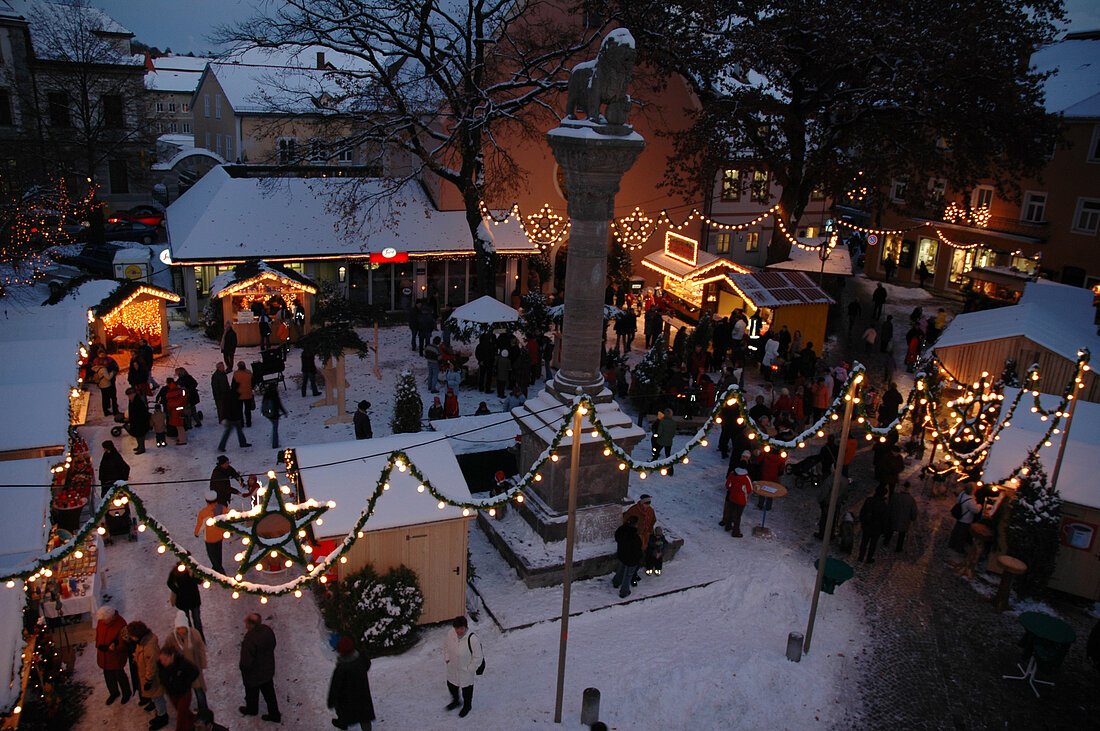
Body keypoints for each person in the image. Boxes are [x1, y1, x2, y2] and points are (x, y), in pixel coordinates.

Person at [163, 610, 209, 713]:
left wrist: (202, 663)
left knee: (198, 689)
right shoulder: (171, 638)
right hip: (182, 670)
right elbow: (166, 651)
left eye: (182, 628)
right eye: (178, 628)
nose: (181, 631)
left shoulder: (194, 634)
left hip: (194, 667)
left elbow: (201, 649)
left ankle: (204, 709)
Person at [328, 636, 376, 730]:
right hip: (362, 692)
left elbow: (335, 686)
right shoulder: (361, 658)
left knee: (342, 709)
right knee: (364, 714)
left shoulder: (341, 668)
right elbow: (367, 665)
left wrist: (331, 701)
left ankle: (343, 723)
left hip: (347, 696)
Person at [239, 613, 280, 722]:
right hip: (267, 670)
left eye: (246, 622)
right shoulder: (267, 631)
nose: (245, 624)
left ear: (251, 625)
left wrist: (243, 669)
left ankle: (252, 709)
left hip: (254, 674)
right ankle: (274, 714)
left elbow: (246, 661)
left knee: (251, 693)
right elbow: (273, 644)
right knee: (269, 694)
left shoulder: (250, 639)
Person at [129, 620, 169, 730]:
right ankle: (159, 713)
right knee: (155, 697)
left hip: (153, 678)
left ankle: (162, 716)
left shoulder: (149, 647)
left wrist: (148, 680)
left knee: (157, 697)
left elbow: (152, 666)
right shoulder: (143, 642)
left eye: (132, 636)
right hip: (147, 675)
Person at [443, 615, 482, 718]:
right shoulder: (451, 633)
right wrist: (447, 658)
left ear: (466, 627)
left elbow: (478, 657)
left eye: (461, 628)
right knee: (452, 686)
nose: (459, 631)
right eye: (457, 629)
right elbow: (446, 646)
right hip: (453, 668)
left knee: (467, 690)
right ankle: (456, 701)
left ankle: (467, 706)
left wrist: (471, 669)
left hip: (466, 671)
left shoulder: (472, 639)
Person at [157, 644, 199, 731]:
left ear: (172, 656)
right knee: (183, 712)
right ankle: (196, 722)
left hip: (184, 694)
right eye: (161, 660)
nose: (163, 662)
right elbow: (161, 677)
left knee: (181, 717)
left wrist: (186, 682)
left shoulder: (182, 663)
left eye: (165, 659)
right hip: (172, 694)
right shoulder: (161, 666)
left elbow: (195, 671)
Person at [95, 606, 131, 705]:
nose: (102, 622)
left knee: (119, 675)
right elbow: (98, 634)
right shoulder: (101, 622)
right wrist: (98, 645)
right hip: (104, 655)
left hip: (116, 656)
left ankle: (126, 693)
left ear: (111, 618)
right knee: (108, 676)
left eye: (104, 620)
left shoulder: (121, 624)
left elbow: (124, 642)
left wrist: (115, 648)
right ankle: (114, 693)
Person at [167, 566, 204, 639]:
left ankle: (199, 638)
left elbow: (200, 581)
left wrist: (192, 575)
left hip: (193, 600)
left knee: (197, 621)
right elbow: (170, 583)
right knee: (187, 622)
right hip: (184, 601)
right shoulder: (176, 570)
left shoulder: (193, 569)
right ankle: (191, 639)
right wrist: (177, 591)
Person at [194, 492, 227, 574]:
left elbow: (200, 525)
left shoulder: (204, 512)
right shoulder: (223, 508)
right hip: (220, 536)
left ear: (206, 500)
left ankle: (218, 570)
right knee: (218, 553)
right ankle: (217, 566)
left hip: (209, 538)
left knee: (212, 555)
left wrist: (196, 533)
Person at [612, 515, 643, 598]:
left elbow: (617, 537)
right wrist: (639, 556)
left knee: (621, 569)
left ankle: (616, 582)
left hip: (622, 554)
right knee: (628, 575)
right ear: (635, 524)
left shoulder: (621, 530)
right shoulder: (634, 536)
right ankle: (624, 592)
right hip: (631, 559)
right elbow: (637, 548)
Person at [858, 485, 890, 564]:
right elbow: (884, 519)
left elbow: (862, 512)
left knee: (864, 541)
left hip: (867, 525)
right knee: (873, 544)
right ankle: (869, 558)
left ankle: (861, 557)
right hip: (877, 528)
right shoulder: (884, 505)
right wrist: (884, 530)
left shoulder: (869, 500)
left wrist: (862, 521)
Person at [883, 481, 918, 553]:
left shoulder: (895, 496)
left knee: (890, 531)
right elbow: (913, 511)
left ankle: (886, 542)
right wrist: (913, 518)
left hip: (893, 518)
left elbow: (889, 507)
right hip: (904, 521)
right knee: (901, 535)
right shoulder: (911, 500)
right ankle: (898, 548)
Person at [216, 379, 251, 450]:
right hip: (234, 417)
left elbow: (225, 406)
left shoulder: (228, 393)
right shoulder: (237, 395)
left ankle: (241, 443)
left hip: (230, 416)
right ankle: (241, 443)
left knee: (234, 431)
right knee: (233, 431)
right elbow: (237, 407)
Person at [723, 457, 753, 537]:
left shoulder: (733, 474)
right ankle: (735, 532)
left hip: (732, 497)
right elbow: (750, 489)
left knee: (730, 512)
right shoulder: (746, 478)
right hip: (741, 500)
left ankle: (728, 526)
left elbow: (728, 485)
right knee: (737, 516)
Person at [948, 484, 980, 553]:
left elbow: (958, 499)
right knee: (962, 534)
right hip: (966, 519)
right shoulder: (971, 501)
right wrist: (979, 506)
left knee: (956, 530)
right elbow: (976, 510)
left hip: (959, 516)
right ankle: (959, 548)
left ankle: (951, 543)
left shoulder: (962, 494)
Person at [92, 351, 121, 417]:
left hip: (102, 383)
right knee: (112, 396)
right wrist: (113, 373)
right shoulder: (109, 361)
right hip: (108, 382)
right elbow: (113, 371)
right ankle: (114, 410)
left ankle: (107, 409)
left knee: (105, 397)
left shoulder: (96, 362)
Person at [260, 383, 288, 449]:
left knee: (274, 427)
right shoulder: (275, 395)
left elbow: (263, 404)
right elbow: (279, 405)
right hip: (274, 414)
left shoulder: (266, 394)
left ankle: (273, 440)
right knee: (275, 429)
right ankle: (275, 444)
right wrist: (284, 412)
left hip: (267, 414)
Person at [126, 387, 151, 454]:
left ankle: (142, 448)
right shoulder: (132, 401)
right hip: (135, 421)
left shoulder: (138, 401)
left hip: (140, 421)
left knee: (140, 434)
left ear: (133, 394)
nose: (129, 397)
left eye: (129, 395)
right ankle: (139, 446)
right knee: (137, 434)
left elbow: (142, 412)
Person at [651, 408, 676, 472]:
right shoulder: (673, 423)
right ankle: (670, 470)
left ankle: (652, 466)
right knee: (668, 455)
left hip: (661, 441)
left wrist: (656, 436)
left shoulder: (662, 422)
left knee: (656, 454)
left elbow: (660, 432)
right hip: (669, 441)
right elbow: (673, 433)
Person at [233, 362, 255, 428]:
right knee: (247, 410)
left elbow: (233, 385)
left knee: (239, 410)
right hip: (248, 394)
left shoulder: (236, 374)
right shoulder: (249, 373)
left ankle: (241, 423)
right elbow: (253, 382)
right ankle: (248, 423)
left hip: (239, 395)